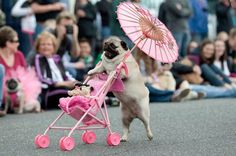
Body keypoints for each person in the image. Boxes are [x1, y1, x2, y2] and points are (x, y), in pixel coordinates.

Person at [0, 26, 41, 114]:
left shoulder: (19, 55)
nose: (18, 44)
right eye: (16, 41)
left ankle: (16, 107)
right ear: (7, 43)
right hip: (4, 91)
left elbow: (26, 74)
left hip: (19, 90)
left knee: (32, 100)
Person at [33, 31, 77, 109]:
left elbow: (65, 74)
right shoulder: (38, 58)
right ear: (38, 47)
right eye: (43, 44)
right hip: (49, 90)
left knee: (79, 88)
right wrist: (59, 83)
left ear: (54, 47)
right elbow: (41, 78)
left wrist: (73, 82)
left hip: (63, 86)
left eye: (49, 44)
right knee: (72, 94)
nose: (46, 47)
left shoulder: (57, 58)